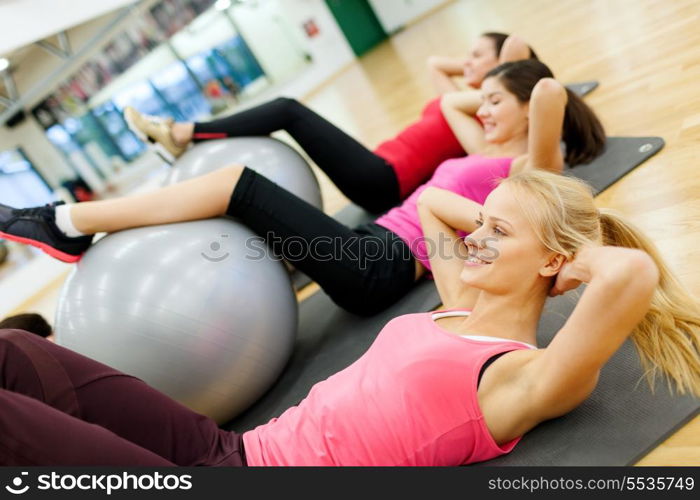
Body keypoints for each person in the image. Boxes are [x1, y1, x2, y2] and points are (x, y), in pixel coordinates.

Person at [1, 170, 698, 466]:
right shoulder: (458, 304)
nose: (474, 238)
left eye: (497, 234)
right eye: (479, 225)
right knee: (10, 353)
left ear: (555, 263)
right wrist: (509, 228)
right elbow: (432, 205)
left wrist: (569, 257)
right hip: (234, 451)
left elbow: (630, 271)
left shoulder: (522, 378)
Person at [0, 60, 604, 316]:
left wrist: (523, 90)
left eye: (498, 101)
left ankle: (67, 223)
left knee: (240, 183)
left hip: (383, 267)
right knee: (239, 211)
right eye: (485, 100)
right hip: (367, 243)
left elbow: (548, 92)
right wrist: (498, 92)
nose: (484, 108)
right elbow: (460, 99)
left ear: (532, 109)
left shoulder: (533, 170)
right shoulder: (484, 152)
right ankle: (69, 223)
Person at [123, 33, 537, 207]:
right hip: (377, 167)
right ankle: (184, 133)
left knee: (288, 109)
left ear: (504, 67)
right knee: (288, 110)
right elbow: (435, 64)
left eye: (478, 56)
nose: (466, 61)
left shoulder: (482, 107)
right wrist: (481, 63)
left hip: (384, 179)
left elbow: (508, 62)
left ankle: (181, 132)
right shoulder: (467, 99)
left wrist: (503, 72)